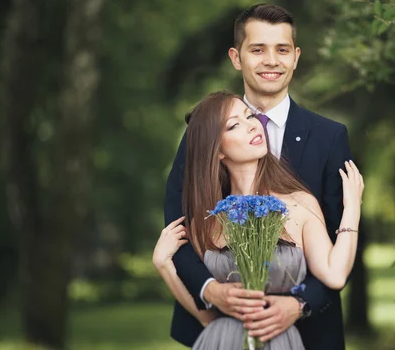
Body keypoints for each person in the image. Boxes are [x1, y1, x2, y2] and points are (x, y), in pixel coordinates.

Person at [163, 3, 354, 349]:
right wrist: (211, 290)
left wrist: (299, 303)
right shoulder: (203, 133)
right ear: (237, 58)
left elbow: (341, 238)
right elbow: (178, 225)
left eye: (281, 49)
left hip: (306, 335)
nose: (271, 61)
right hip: (215, 327)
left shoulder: (330, 138)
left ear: (296, 57)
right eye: (257, 49)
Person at [154, 91, 363, 349]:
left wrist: (352, 207)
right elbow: (207, 317)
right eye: (234, 125)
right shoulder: (208, 219)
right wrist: (163, 264)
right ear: (217, 151)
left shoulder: (299, 204)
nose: (252, 125)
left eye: (249, 115)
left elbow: (335, 275)